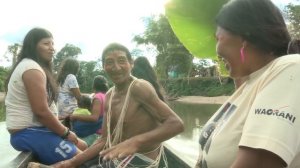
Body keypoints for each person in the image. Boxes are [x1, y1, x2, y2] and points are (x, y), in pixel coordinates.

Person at [195, 0, 300, 167]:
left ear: (243, 37)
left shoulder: (290, 68)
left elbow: (259, 162)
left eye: (218, 38)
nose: (216, 50)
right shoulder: (250, 84)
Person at [52, 42, 184, 168]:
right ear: (103, 66)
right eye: (109, 62)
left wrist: (135, 142)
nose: (116, 67)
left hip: (142, 158)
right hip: (118, 154)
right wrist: (72, 162)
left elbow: (176, 124)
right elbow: (104, 140)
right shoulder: (109, 95)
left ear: (131, 63)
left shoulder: (139, 87)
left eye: (121, 61)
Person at [4, 27, 87, 166]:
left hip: (38, 131)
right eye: (46, 43)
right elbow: (41, 111)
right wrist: (66, 133)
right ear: (33, 46)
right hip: (28, 133)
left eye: (53, 44)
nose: (52, 48)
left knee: (83, 146)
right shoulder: (31, 69)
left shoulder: (33, 67)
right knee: (82, 161)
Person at [70, 75, 109, 146]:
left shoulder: (97, 97)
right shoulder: (107, 96)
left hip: (95, 133)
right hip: (103, 131)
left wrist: (75, 116)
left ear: (94, 85)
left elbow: (94, 118)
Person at [56, 58, 81, 125]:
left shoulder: (60, 78)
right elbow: (79, 97)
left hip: (61, 110)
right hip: (70, 110)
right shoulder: (71, 77)